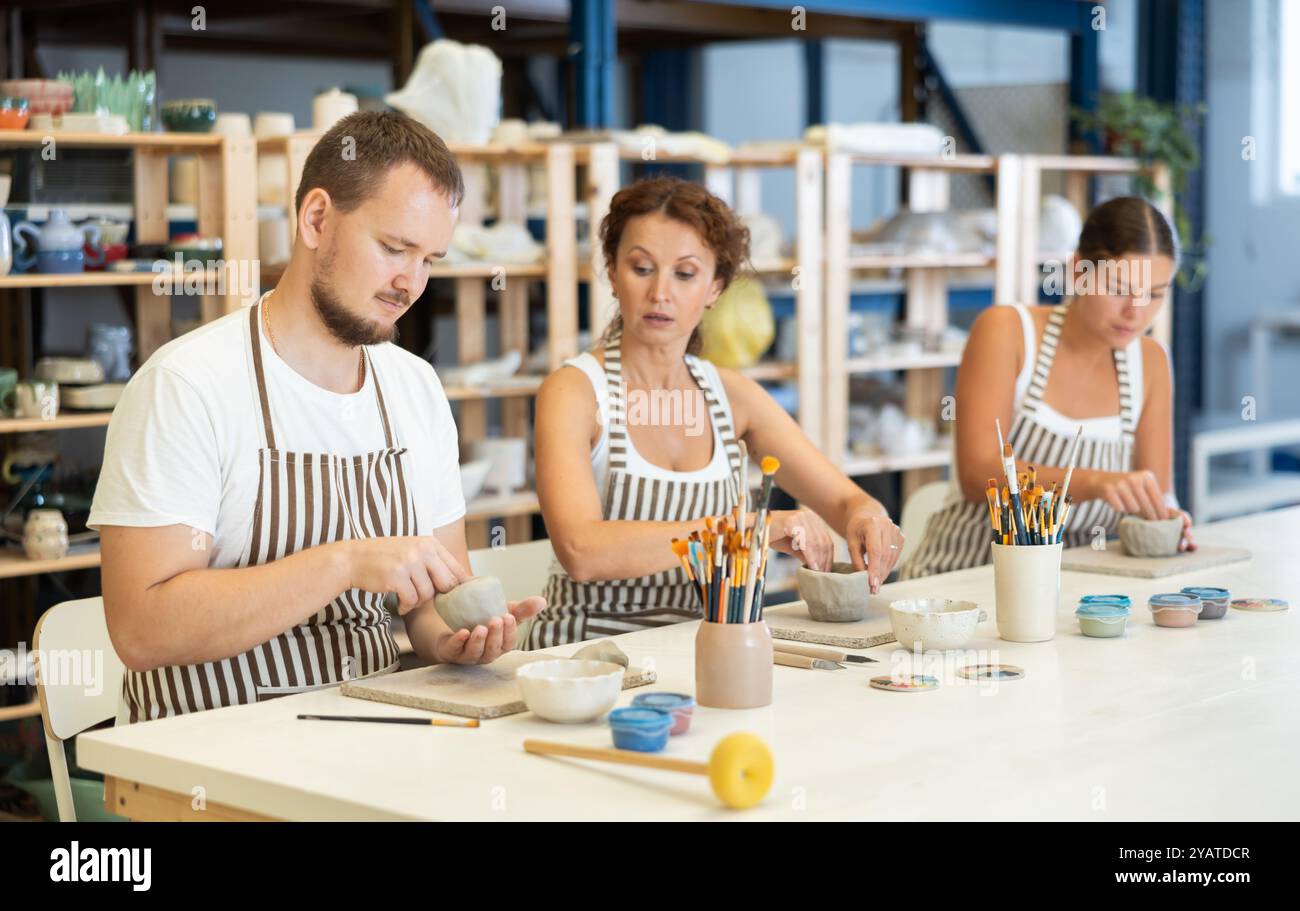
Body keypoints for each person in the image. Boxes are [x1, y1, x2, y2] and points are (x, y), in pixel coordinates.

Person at [90, 111, 543, 722]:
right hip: (209, 761)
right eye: (393, 248)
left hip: (374, 728)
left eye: (430, 259)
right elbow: (142, 630)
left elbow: (430, 606)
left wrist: (459, 639)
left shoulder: (415, 387)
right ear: (316, 219)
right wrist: (342, 563)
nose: (410, 282)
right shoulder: (188, 385)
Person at [527, 176, 904, 648]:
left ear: (715, 288)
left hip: (705, 652)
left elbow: (847, 502)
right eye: (642, 268)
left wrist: (869, 518)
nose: (660, 292)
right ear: (611, 270)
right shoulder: (575, 391)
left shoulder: (730, 396)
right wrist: (749, 528)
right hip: (586, 660)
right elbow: (583, 551)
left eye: (685, 274)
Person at [899, 196, 1194, 579]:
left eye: (1155, 293)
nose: (1136, 312)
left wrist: (1167, 517)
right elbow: (978, 476)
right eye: (1120, 287)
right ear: (1078, 271)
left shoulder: (1151, 362)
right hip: (965, 581)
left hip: (1077, 593)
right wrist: (1096, 483)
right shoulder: (1007, 332)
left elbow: (1157, 493)